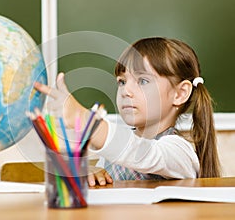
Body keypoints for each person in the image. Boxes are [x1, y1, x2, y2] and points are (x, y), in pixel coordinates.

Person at [34, 37, 221, 187]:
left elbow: (143, 154)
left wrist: (84, 119)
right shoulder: (114, 150)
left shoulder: (179, 151)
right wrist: (93, 174)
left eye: (143, 81)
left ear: (180, 94)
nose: (126, 91)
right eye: (122, 82)